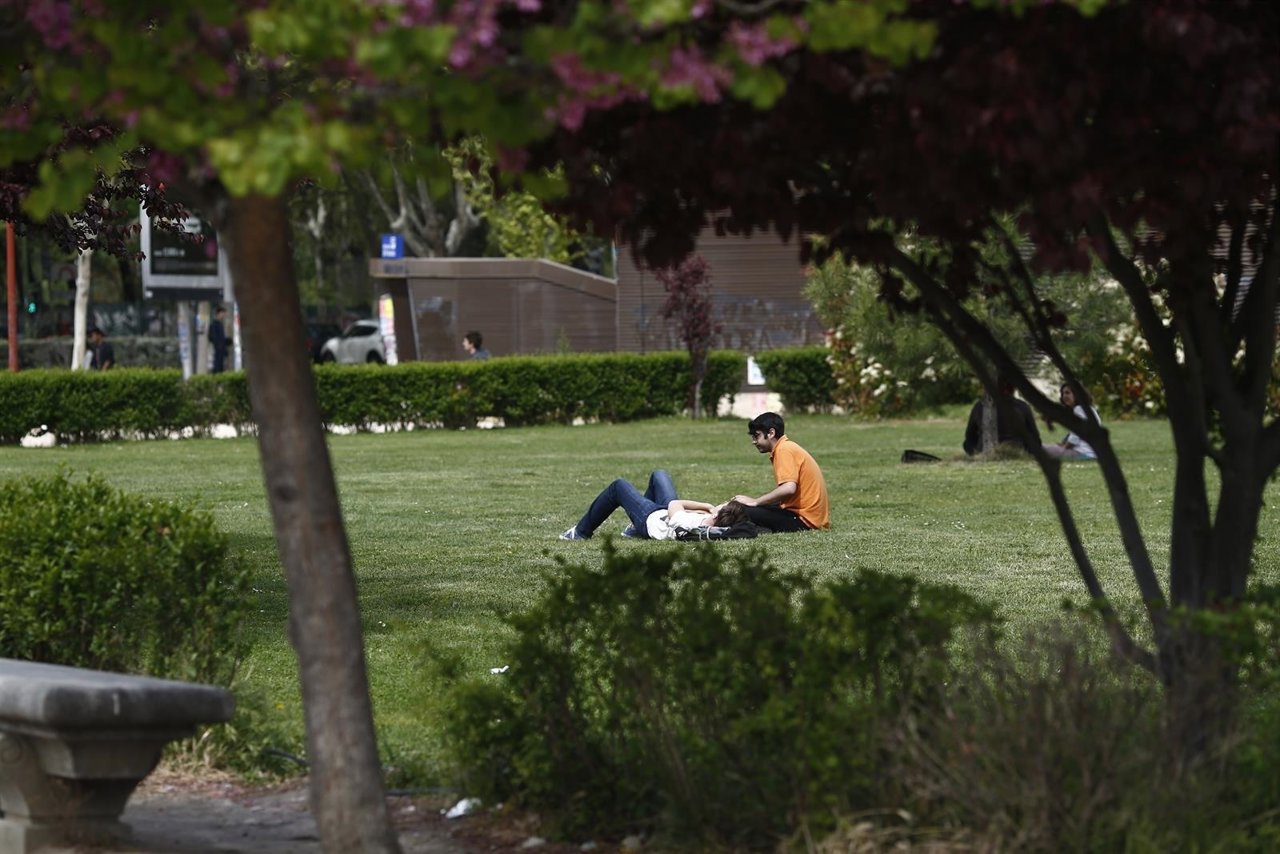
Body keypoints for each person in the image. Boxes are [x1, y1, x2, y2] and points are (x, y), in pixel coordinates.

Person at [560, 469, 748, 540]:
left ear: (718, 514)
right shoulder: (715, 523)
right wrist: (708, 511)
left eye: (723, 503)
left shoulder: (693, 526)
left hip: (650, 520)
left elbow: (675, 504)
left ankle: (581, 532)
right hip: (664, 514)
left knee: (618, 487)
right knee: (660, 475)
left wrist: (706, 505)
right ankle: (632, 530)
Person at [732, 412, 830, 533]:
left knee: (739, 510)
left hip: (803, 521)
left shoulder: (784, 450)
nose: (754, 442)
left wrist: (755, 501)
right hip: (807, 517)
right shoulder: (787, 447)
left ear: (771, 433)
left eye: (757, 436)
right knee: (744, 506)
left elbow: (789, 488)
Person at [962, 377, 1041, 456]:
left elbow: (969, 437)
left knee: (967, 443)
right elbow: (1036, 440)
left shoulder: (980, 406)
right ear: (1013, 388)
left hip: (985, 453)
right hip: (1017, 452)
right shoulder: (1022, 406)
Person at [1043, 383, 1101, 460]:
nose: (1064, 396)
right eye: (1063, 393)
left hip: (1083, 453)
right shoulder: (1087, 409)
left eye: (1067, 393)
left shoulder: (1079, 410)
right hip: (1091, 453)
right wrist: (1063, 444)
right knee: (1048, 447)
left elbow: (1075, 436)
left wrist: (1064, 447)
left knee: (1041, 448)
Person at [209, 306, 229, 373]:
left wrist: (226, 341)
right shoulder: (214, 324)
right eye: (223, 313)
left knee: (221, 368)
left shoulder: (220, 324)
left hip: (221, 350)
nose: (224, 315)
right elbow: (212, 337)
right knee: (217, 367)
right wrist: (218, 345)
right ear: (219, 313)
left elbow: (221, 338)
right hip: (217, 350)